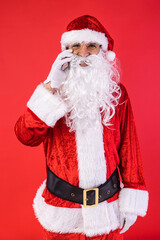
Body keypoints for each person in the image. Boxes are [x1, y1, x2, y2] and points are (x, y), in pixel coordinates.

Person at [14, 15, 149, 240]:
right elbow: (25, 136)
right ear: (65, 50)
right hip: (63, 212)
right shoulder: (53, 92)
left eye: (92, 46)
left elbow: (129, 149)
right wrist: (51, 85)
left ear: (103, 52)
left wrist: (132, 201)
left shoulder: (117, 94)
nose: (83, 53)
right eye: (75, 46)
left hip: (108, 209)